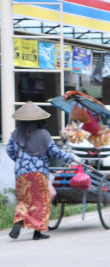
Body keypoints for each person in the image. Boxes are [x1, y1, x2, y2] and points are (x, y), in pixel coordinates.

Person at [6, 101, 80, 240]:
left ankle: (19, 219)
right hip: (38, 173)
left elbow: (10, 151)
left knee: (24, 200)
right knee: (40, 202)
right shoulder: (43, 134)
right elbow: (54, 152)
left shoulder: (16, 133)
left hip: (20, 174)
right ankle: (37, 232)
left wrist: (21, 160)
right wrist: (70, 159)